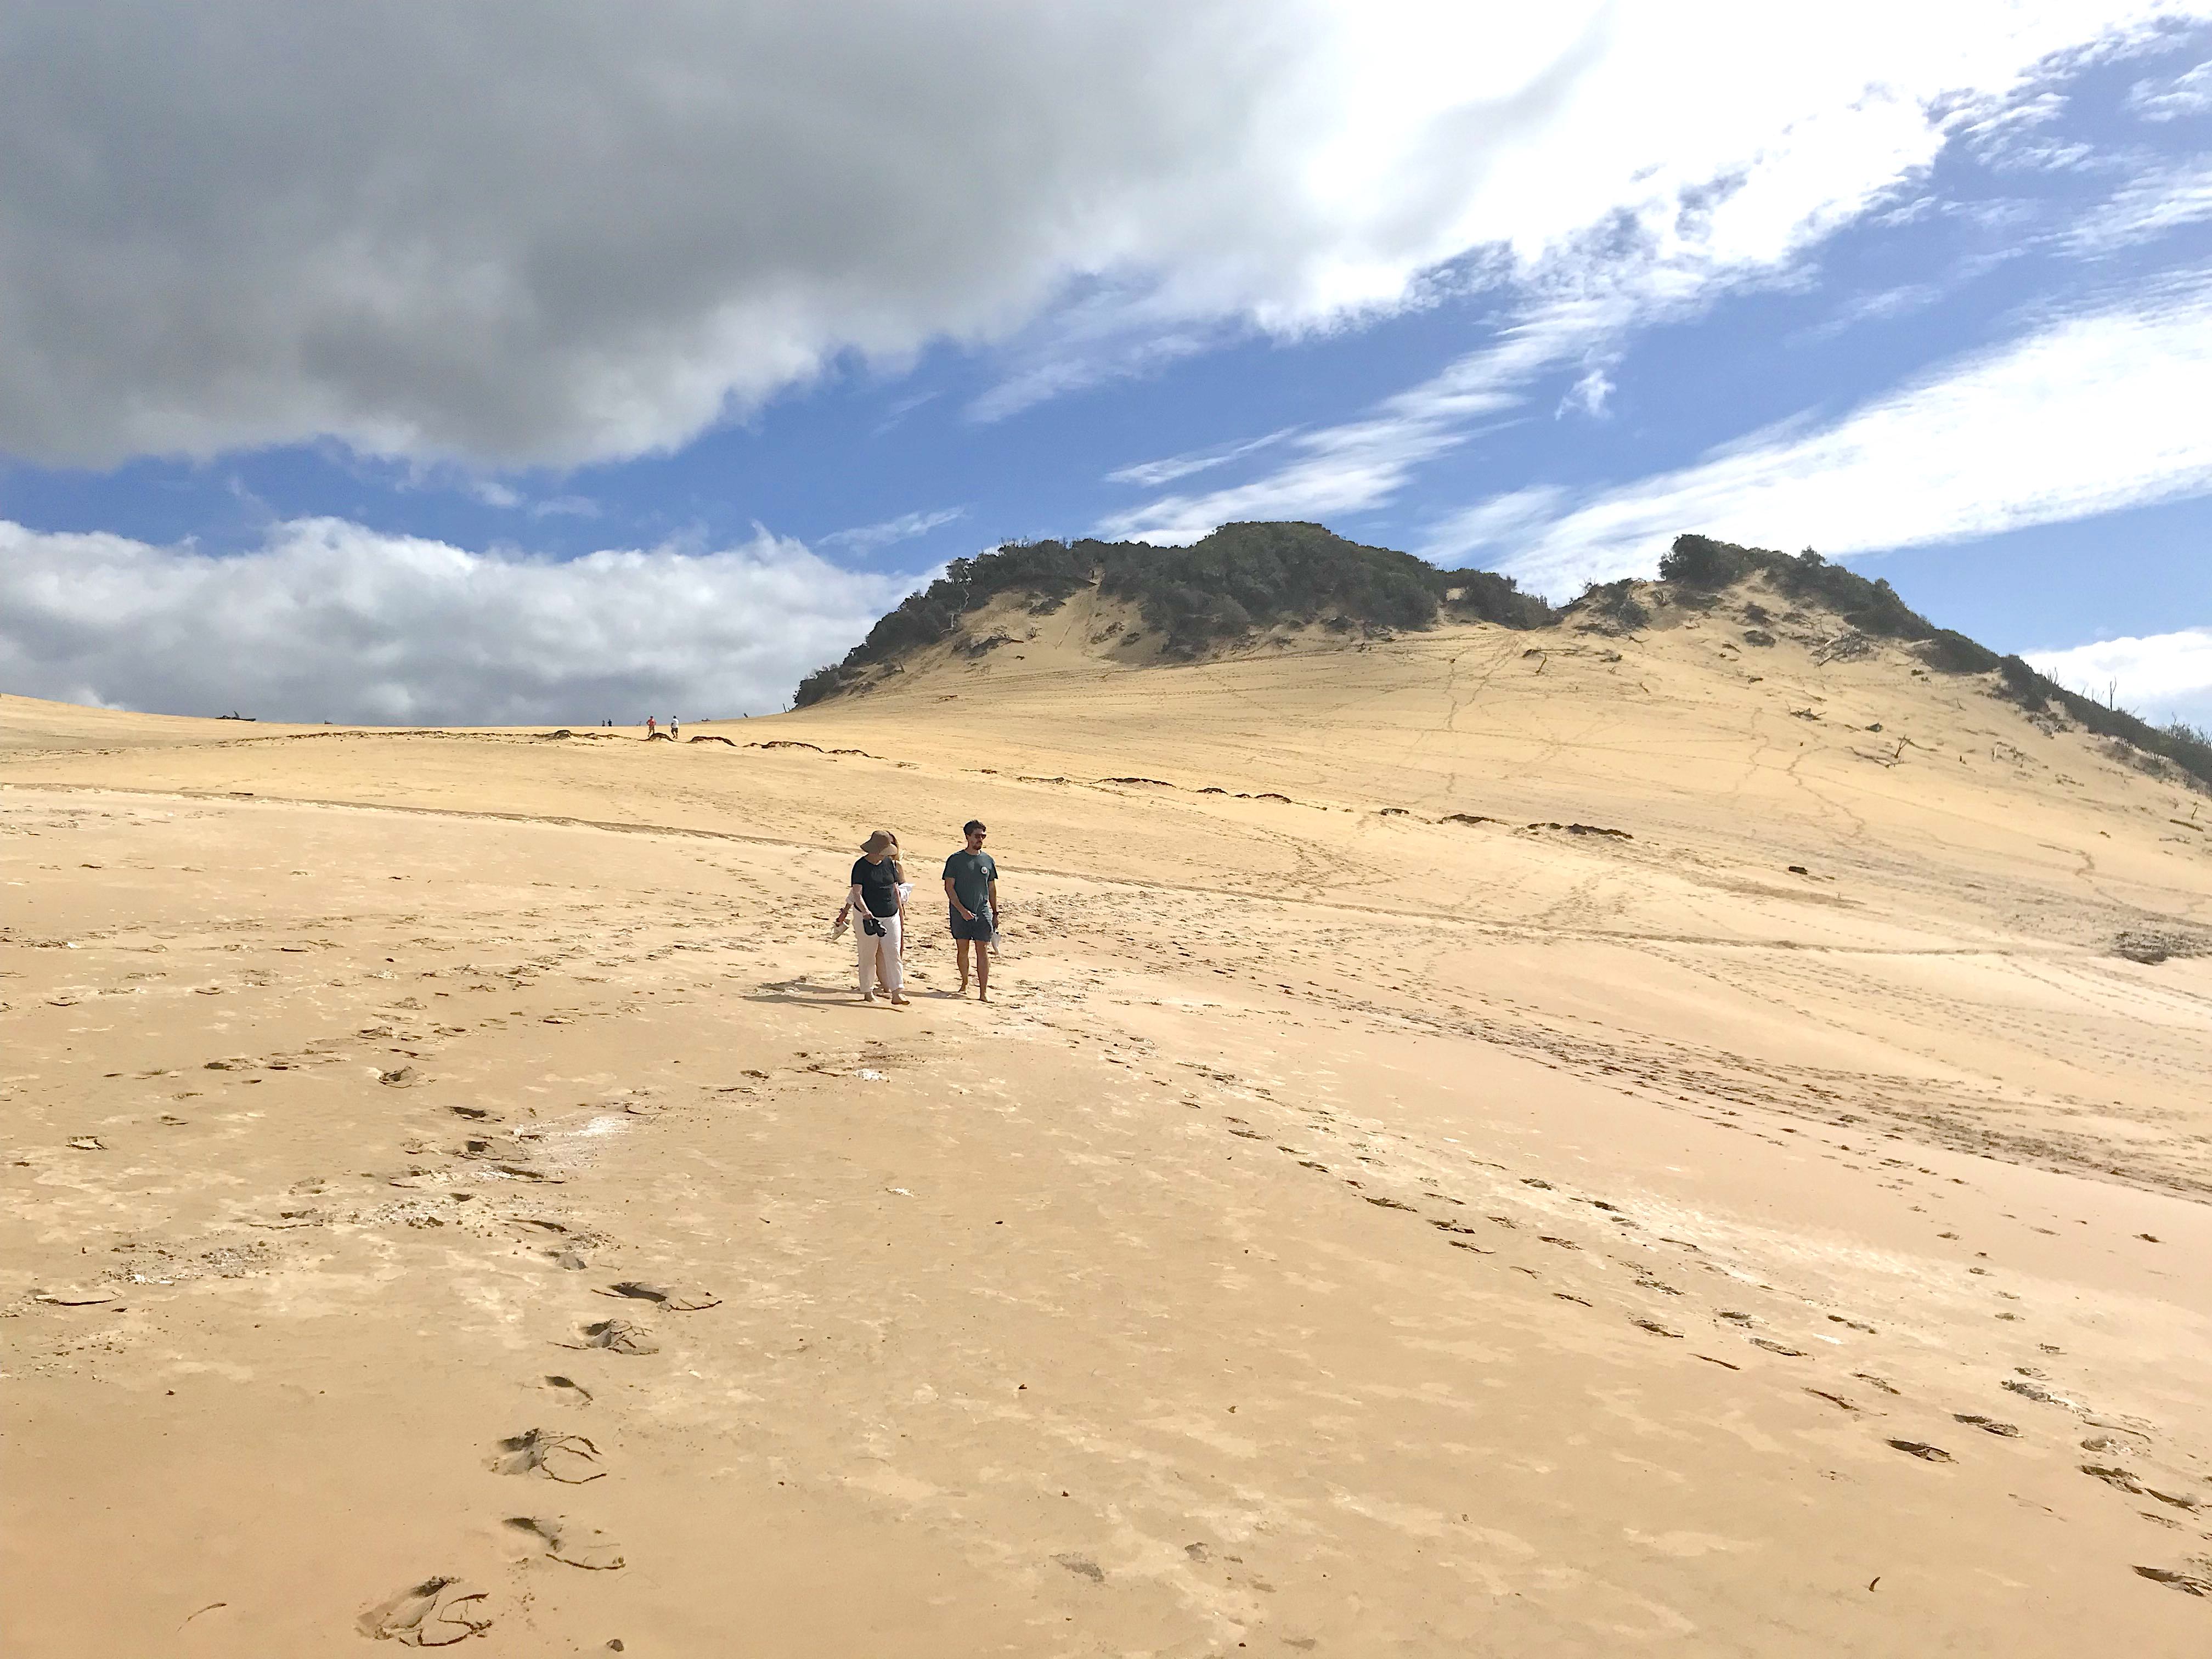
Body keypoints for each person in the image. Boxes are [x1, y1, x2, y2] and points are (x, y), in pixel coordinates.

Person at [848, 830, 909, 1007]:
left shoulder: (890, 864)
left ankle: (898, 992)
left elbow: (895, 890)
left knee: (893, 952)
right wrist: (866, 912)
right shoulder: (860, 866)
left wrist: (901, 913)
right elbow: (857, 894)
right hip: (867, 917)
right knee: (868, 955)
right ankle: (867, 991)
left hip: (891, 915)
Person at [942, 820, 998, 1001]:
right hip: (960, 913)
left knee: (983, 950)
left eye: (983, 836)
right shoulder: (956, 860)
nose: (980, 839)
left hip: (982, 912)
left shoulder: (988, 860)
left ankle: (983, 992)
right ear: (968, 837)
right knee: (963, 949)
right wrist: (961, 910)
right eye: (977, 836)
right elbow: (949, 887)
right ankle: (965, 983)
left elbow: (991, 888)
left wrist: (995, 912)